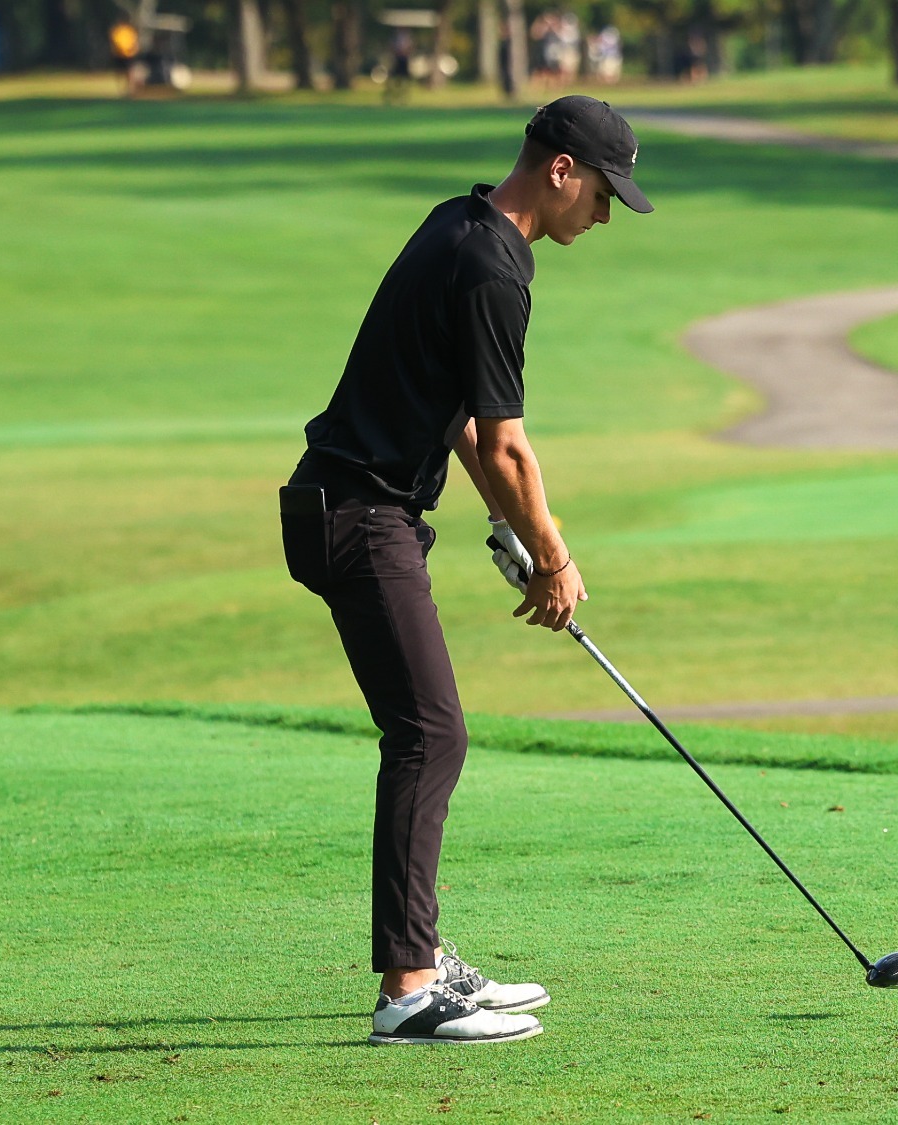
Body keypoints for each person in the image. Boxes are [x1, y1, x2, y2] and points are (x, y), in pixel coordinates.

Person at [279, 97, 653, 1046]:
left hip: (354, 503)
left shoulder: (461, 223)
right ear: (562, 170)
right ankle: (408, 989)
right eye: (605, 195)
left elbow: (459, 421)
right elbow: (509, 443)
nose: (605, 217)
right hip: (360, 515)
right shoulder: (495, 268)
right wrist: (556, 558)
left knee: (426, 730)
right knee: (429, 734)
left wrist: (506, 528)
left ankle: (422, 952)